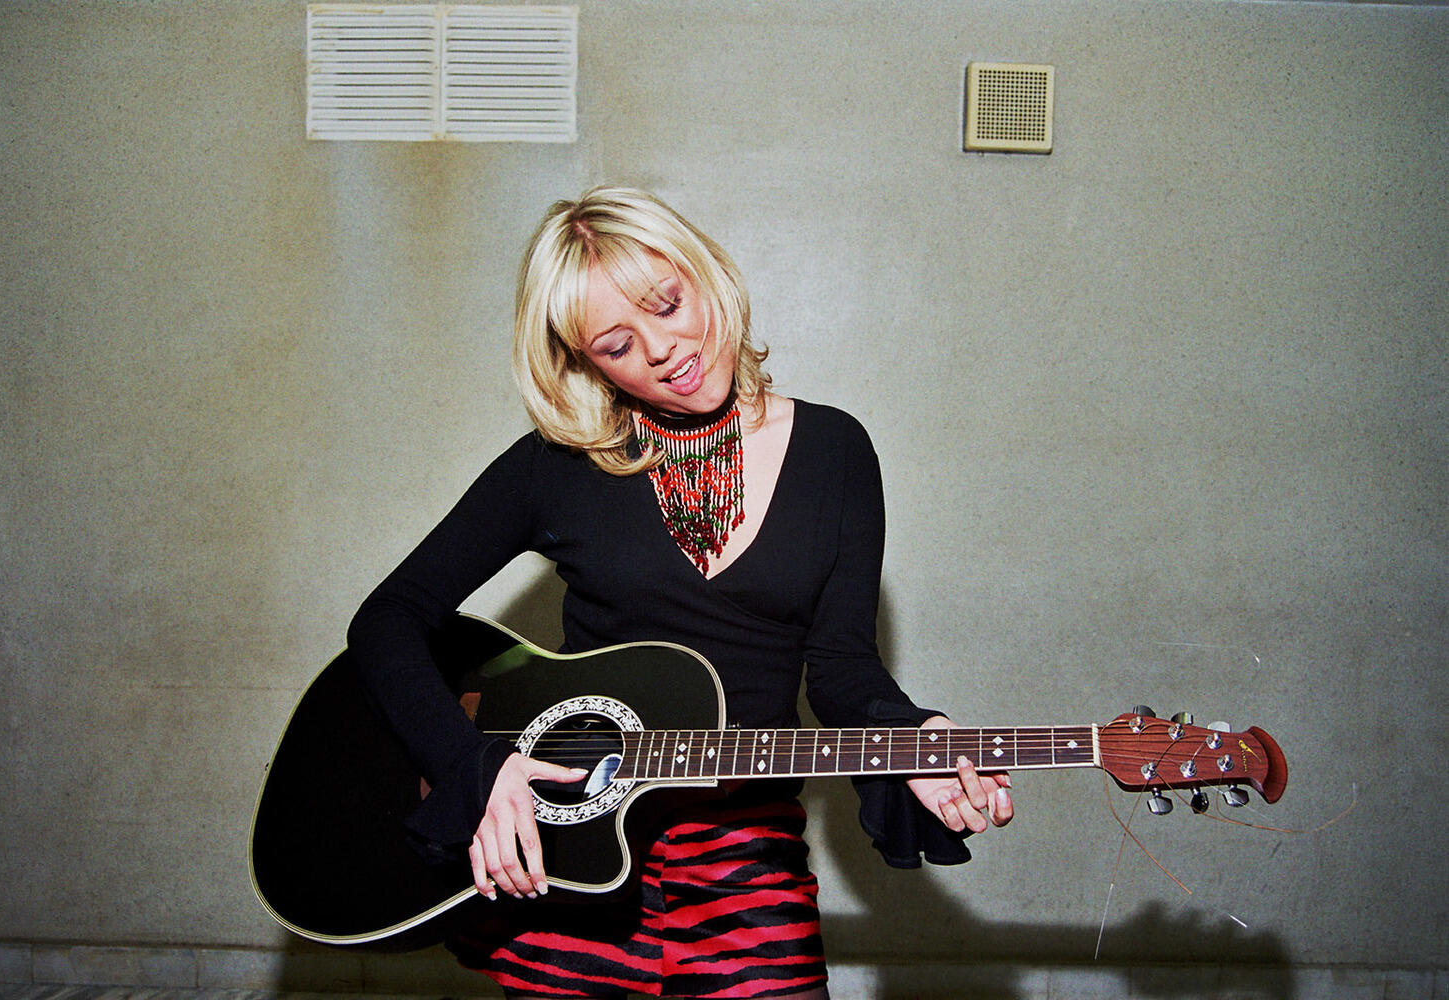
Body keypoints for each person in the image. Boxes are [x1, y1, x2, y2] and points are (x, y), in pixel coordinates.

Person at [347, 186, 1014, 1000]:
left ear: (707, 273)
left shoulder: (835, 451)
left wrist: (913, 737)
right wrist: (472, 766)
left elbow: (842, 666)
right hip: (571, 861)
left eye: (668, 303)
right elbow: (387, 619)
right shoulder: (555, 466)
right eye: (618, 344)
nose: (663, 349)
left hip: (748, 859)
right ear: (585, 362)